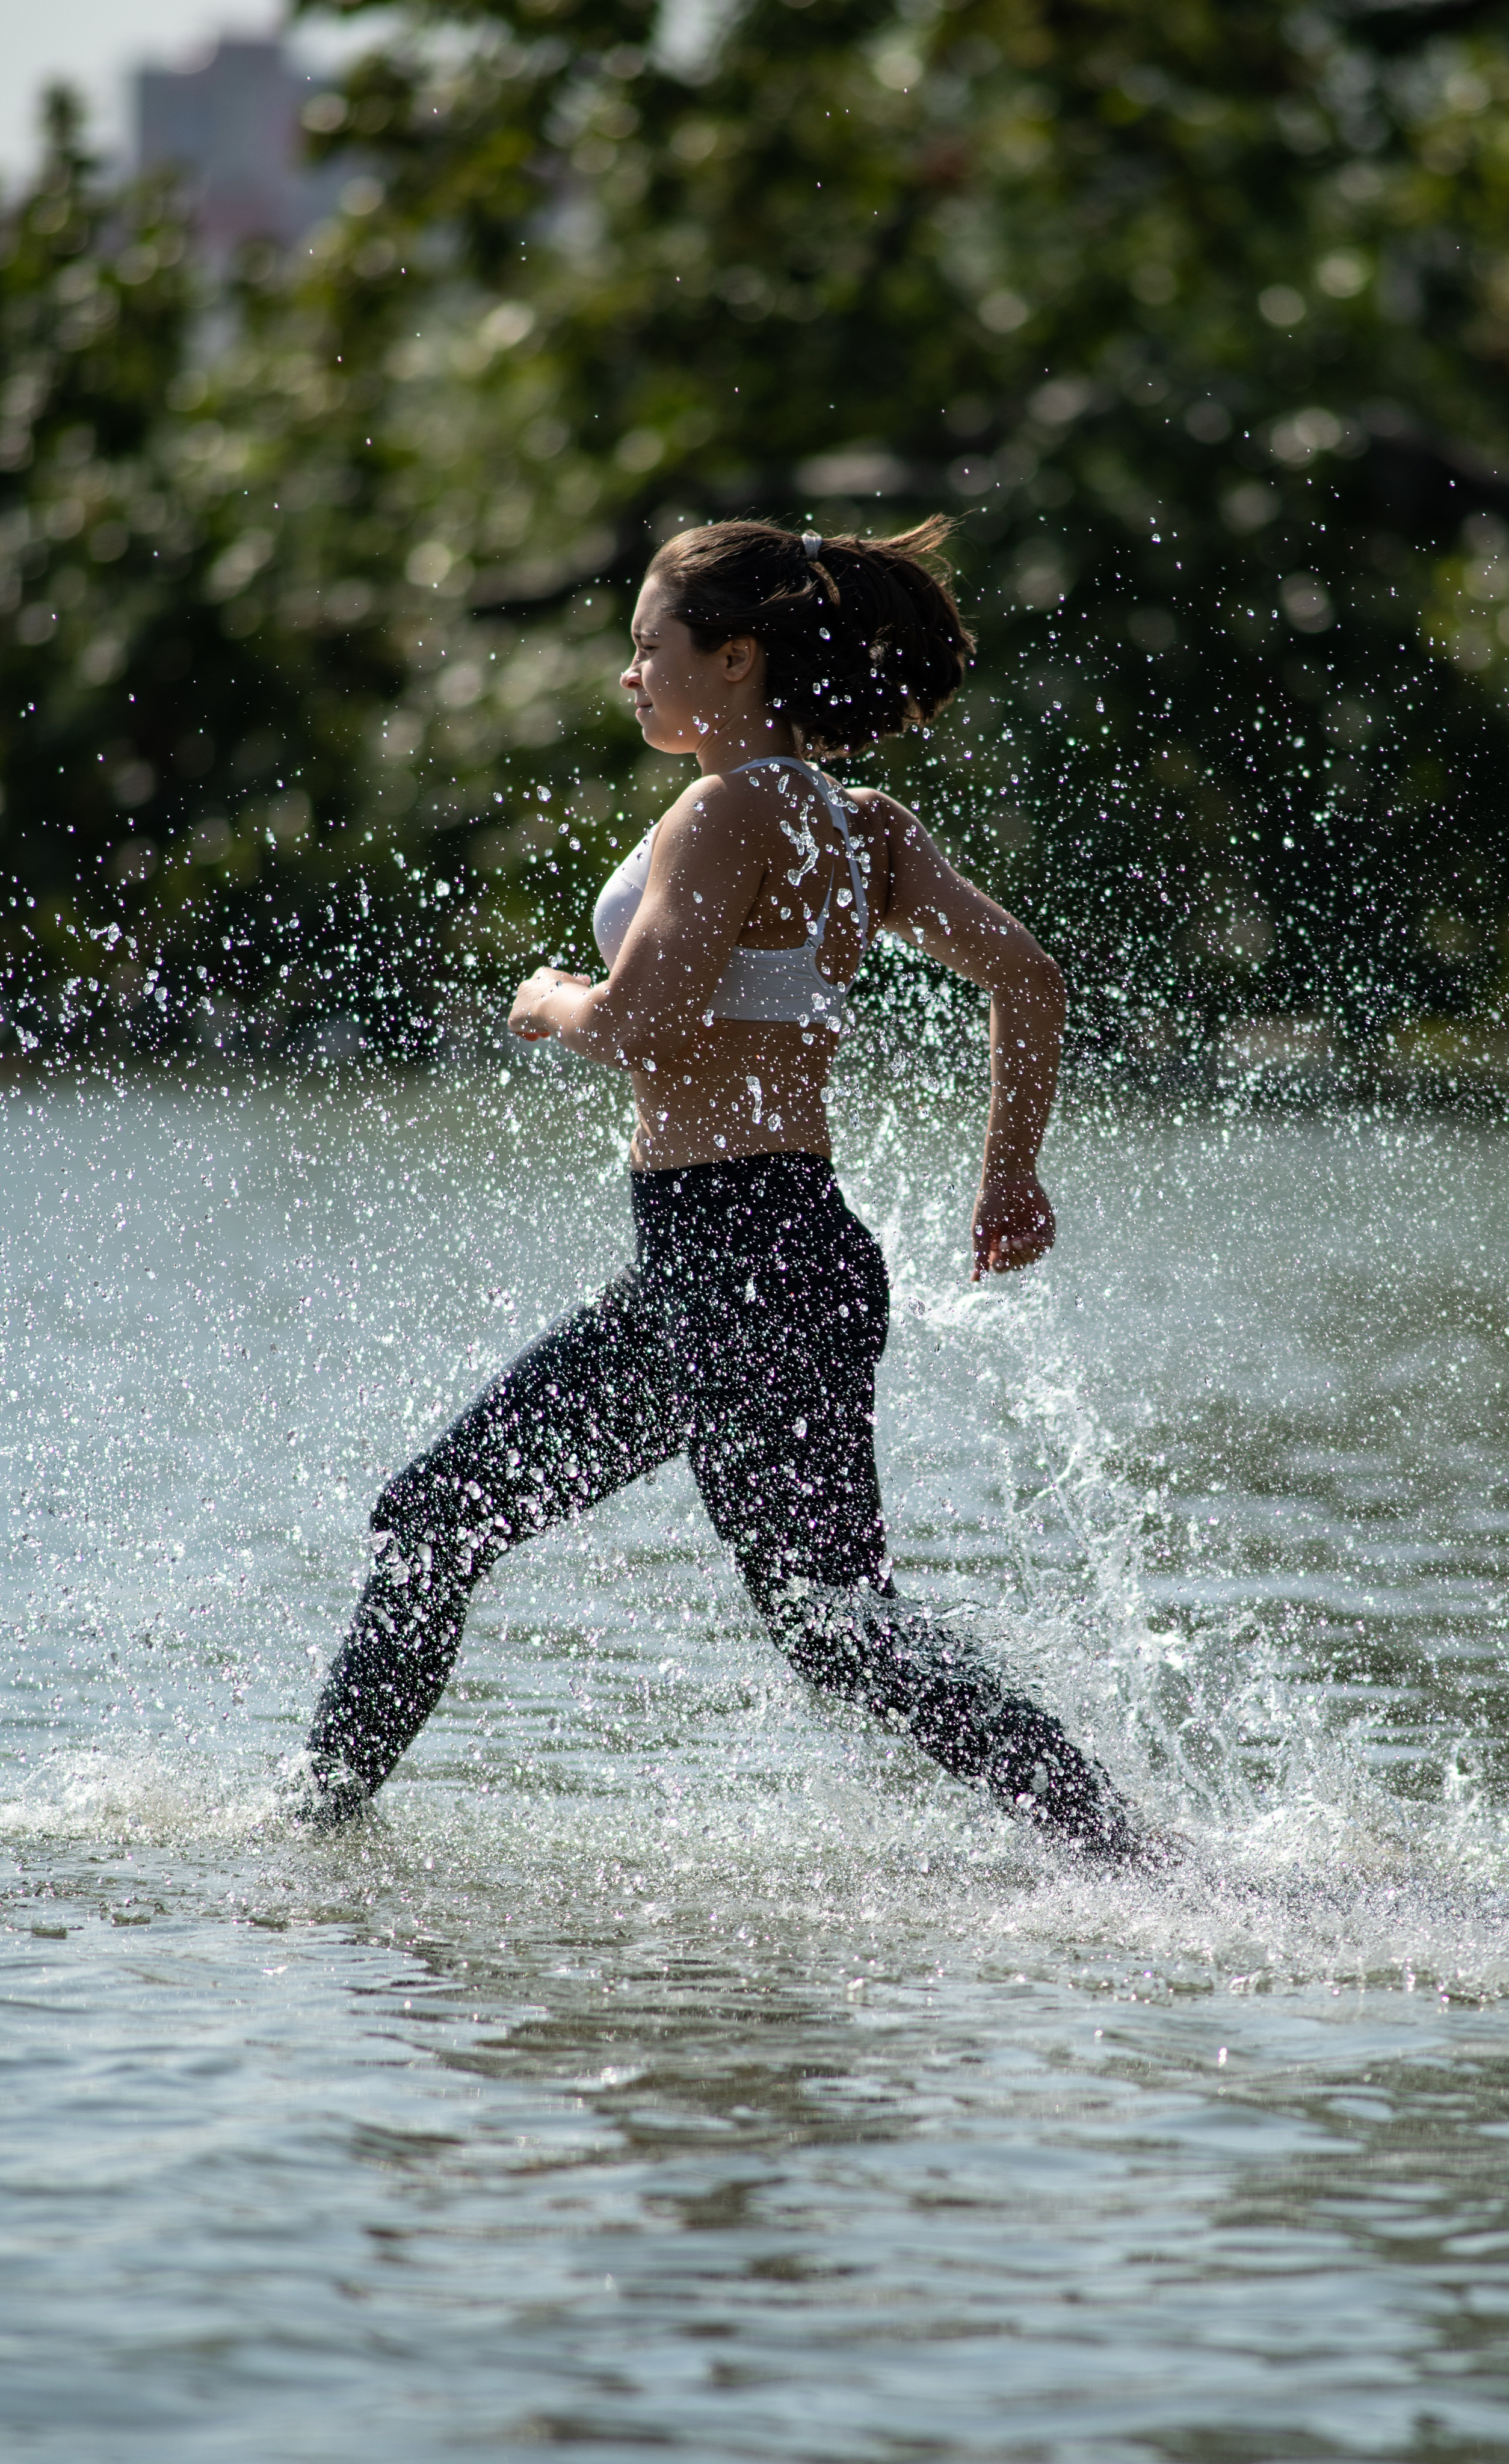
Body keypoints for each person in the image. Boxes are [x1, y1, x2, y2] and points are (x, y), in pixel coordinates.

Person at [293, 517, 1144, 1859]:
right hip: (787, 1257)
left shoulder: (729, 804)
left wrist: (544, 998)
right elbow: (1028, 976)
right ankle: (1125, 1848)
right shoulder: (860, 825)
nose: (631, 677)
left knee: (436, 1522)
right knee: (832, 1623)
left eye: (651, 648)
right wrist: (1007, 1176)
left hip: (722, 1263)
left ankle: (306, 1837)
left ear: (736, 658)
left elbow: (642, 1019)